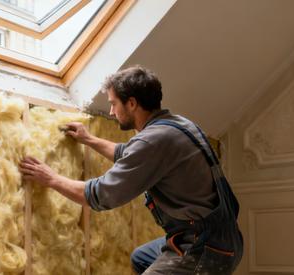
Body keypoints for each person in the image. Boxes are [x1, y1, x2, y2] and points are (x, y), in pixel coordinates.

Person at [19, 66, 243, 274]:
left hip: (204, 248)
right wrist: (89, 140)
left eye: (114, 103)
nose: (112, 111)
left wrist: (51, 178)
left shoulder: (153, 141)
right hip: (224, 236)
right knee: (141, 257)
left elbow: (100, 195)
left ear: (132, 103)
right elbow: (130, 153)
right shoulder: (177, 125)